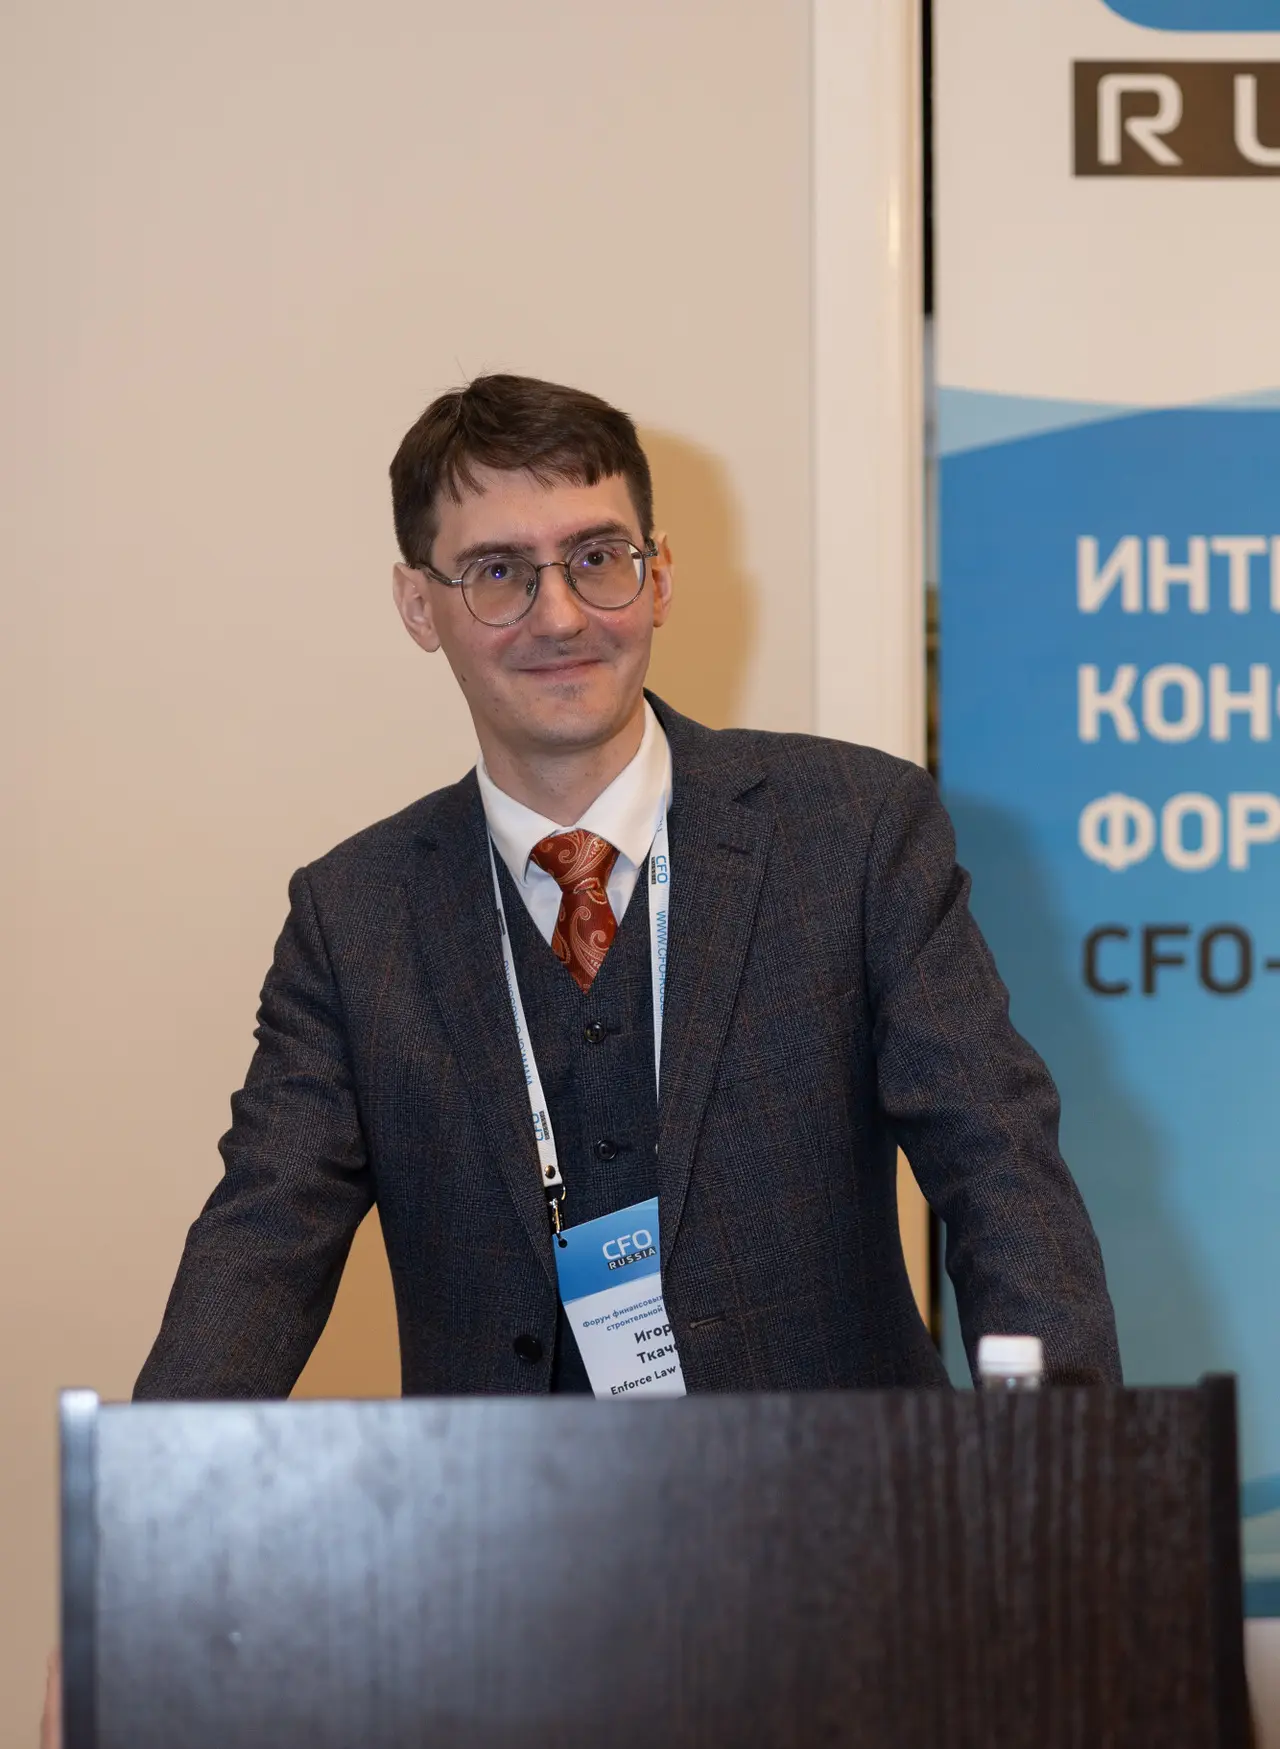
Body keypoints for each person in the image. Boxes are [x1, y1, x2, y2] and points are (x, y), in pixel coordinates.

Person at [134, 372, 1120, 1400]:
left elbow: (999, 1168)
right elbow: (261, 1243)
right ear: (419, 606)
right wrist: (147, 1479)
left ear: (659, 579)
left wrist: (1065, 1459)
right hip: (506, 1501)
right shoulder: (353, 920)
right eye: (498, 572)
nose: (559, 616)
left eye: (597, 558)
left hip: (843, 1491)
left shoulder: (853, 830)